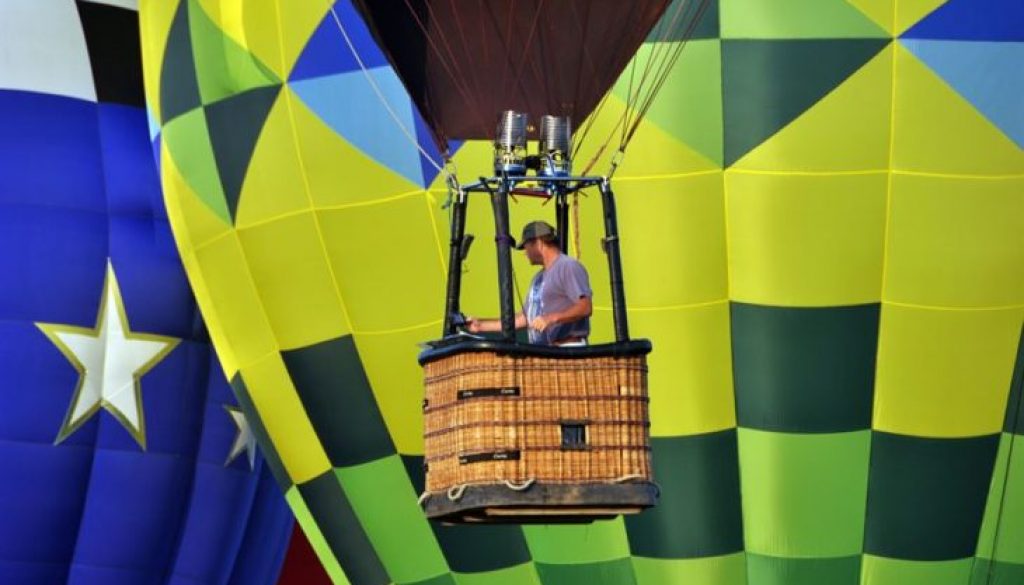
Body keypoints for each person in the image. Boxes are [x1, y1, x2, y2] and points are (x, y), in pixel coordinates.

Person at [467, 220, 592, 346]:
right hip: (545, 350)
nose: (525, 253)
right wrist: (481, 325)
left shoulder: (568, 266)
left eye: (525, 247)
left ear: (538, 243)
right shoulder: (538, 278)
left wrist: (551, 318)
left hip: (567, 349)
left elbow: (585, 307)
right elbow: (524, 318)